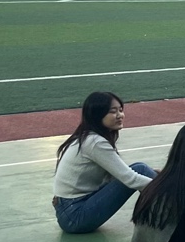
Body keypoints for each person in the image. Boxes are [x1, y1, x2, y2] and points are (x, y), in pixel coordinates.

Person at [51, 91, 157, 234]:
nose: (120, 115)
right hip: (75, 215)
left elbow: (116, 176)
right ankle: (181, 207)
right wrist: (167, 184)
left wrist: (159, 177)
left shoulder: (88, 137)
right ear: (97, 115)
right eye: (113, 112)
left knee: (140, 168)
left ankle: (173, 207)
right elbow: (130, 179)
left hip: (70, 210)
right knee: (140, 171)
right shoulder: (95, 142)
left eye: (120, 110)